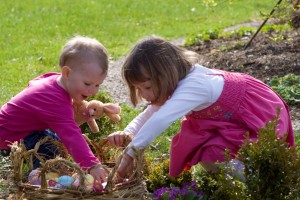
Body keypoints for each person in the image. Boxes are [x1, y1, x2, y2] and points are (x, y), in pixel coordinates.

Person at [107, 36, 295, 181]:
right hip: (234, 119)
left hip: (260, 115)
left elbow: (160, 120)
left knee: (214, 153)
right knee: (207, 152)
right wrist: (127, 133)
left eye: (146, 87)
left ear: (165, 75)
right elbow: (149, 115)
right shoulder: (178, 85)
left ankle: (264, 181)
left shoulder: (195, 86)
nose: (144, 95)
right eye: (138, 89)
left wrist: (128, 157)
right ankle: (235, 184)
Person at [0, 35, 109, 182]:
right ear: (67, 73)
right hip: (10, 137)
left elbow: (33, 84)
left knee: (58, 144)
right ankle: (41, 177)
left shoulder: (53, 81)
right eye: (87, 84)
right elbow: (72, 136)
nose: (93, 91)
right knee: (52, 148)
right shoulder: (55, 101)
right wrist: (92, 165)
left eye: (97, 85)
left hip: (17, 129)